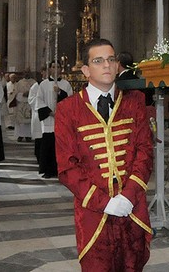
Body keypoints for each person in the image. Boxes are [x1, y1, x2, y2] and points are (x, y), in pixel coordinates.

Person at [55, 38, 153, 271]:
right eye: (98, 61)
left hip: (132, 209)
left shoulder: (135, 101)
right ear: (86, 70)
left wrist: (128, 196)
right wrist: (105, 203)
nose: (107, 65)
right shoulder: (68, 109)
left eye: (111, 59)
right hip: (93, 214)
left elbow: (145, 152)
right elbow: (67, 167)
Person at [34, 62, 72, 178]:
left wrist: (60, 92)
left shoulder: (66, 84)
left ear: (61, 69)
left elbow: (70, 101)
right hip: (49, 120)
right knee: (48, 145)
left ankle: (61, 170)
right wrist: (50, 112)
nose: (56, 69)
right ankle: (48, 170)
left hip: (61, 120)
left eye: (58, 67)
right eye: (53, 67)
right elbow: (39, 100)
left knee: (60, 146)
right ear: (49, 69)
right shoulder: (43, 84)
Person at [11, 71, 35, 141]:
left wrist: (29, 93)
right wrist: (22, 94)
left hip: (29, 104)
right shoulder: (19, 83)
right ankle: (20, 135)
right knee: (20, 121)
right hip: (21, 104)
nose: (27, 74)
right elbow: (15, 94)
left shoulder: (34, 83)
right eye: (25, 72)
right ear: (23, 74)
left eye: (28, 72)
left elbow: (36, 93)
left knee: (28, 121)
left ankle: (28, 136)